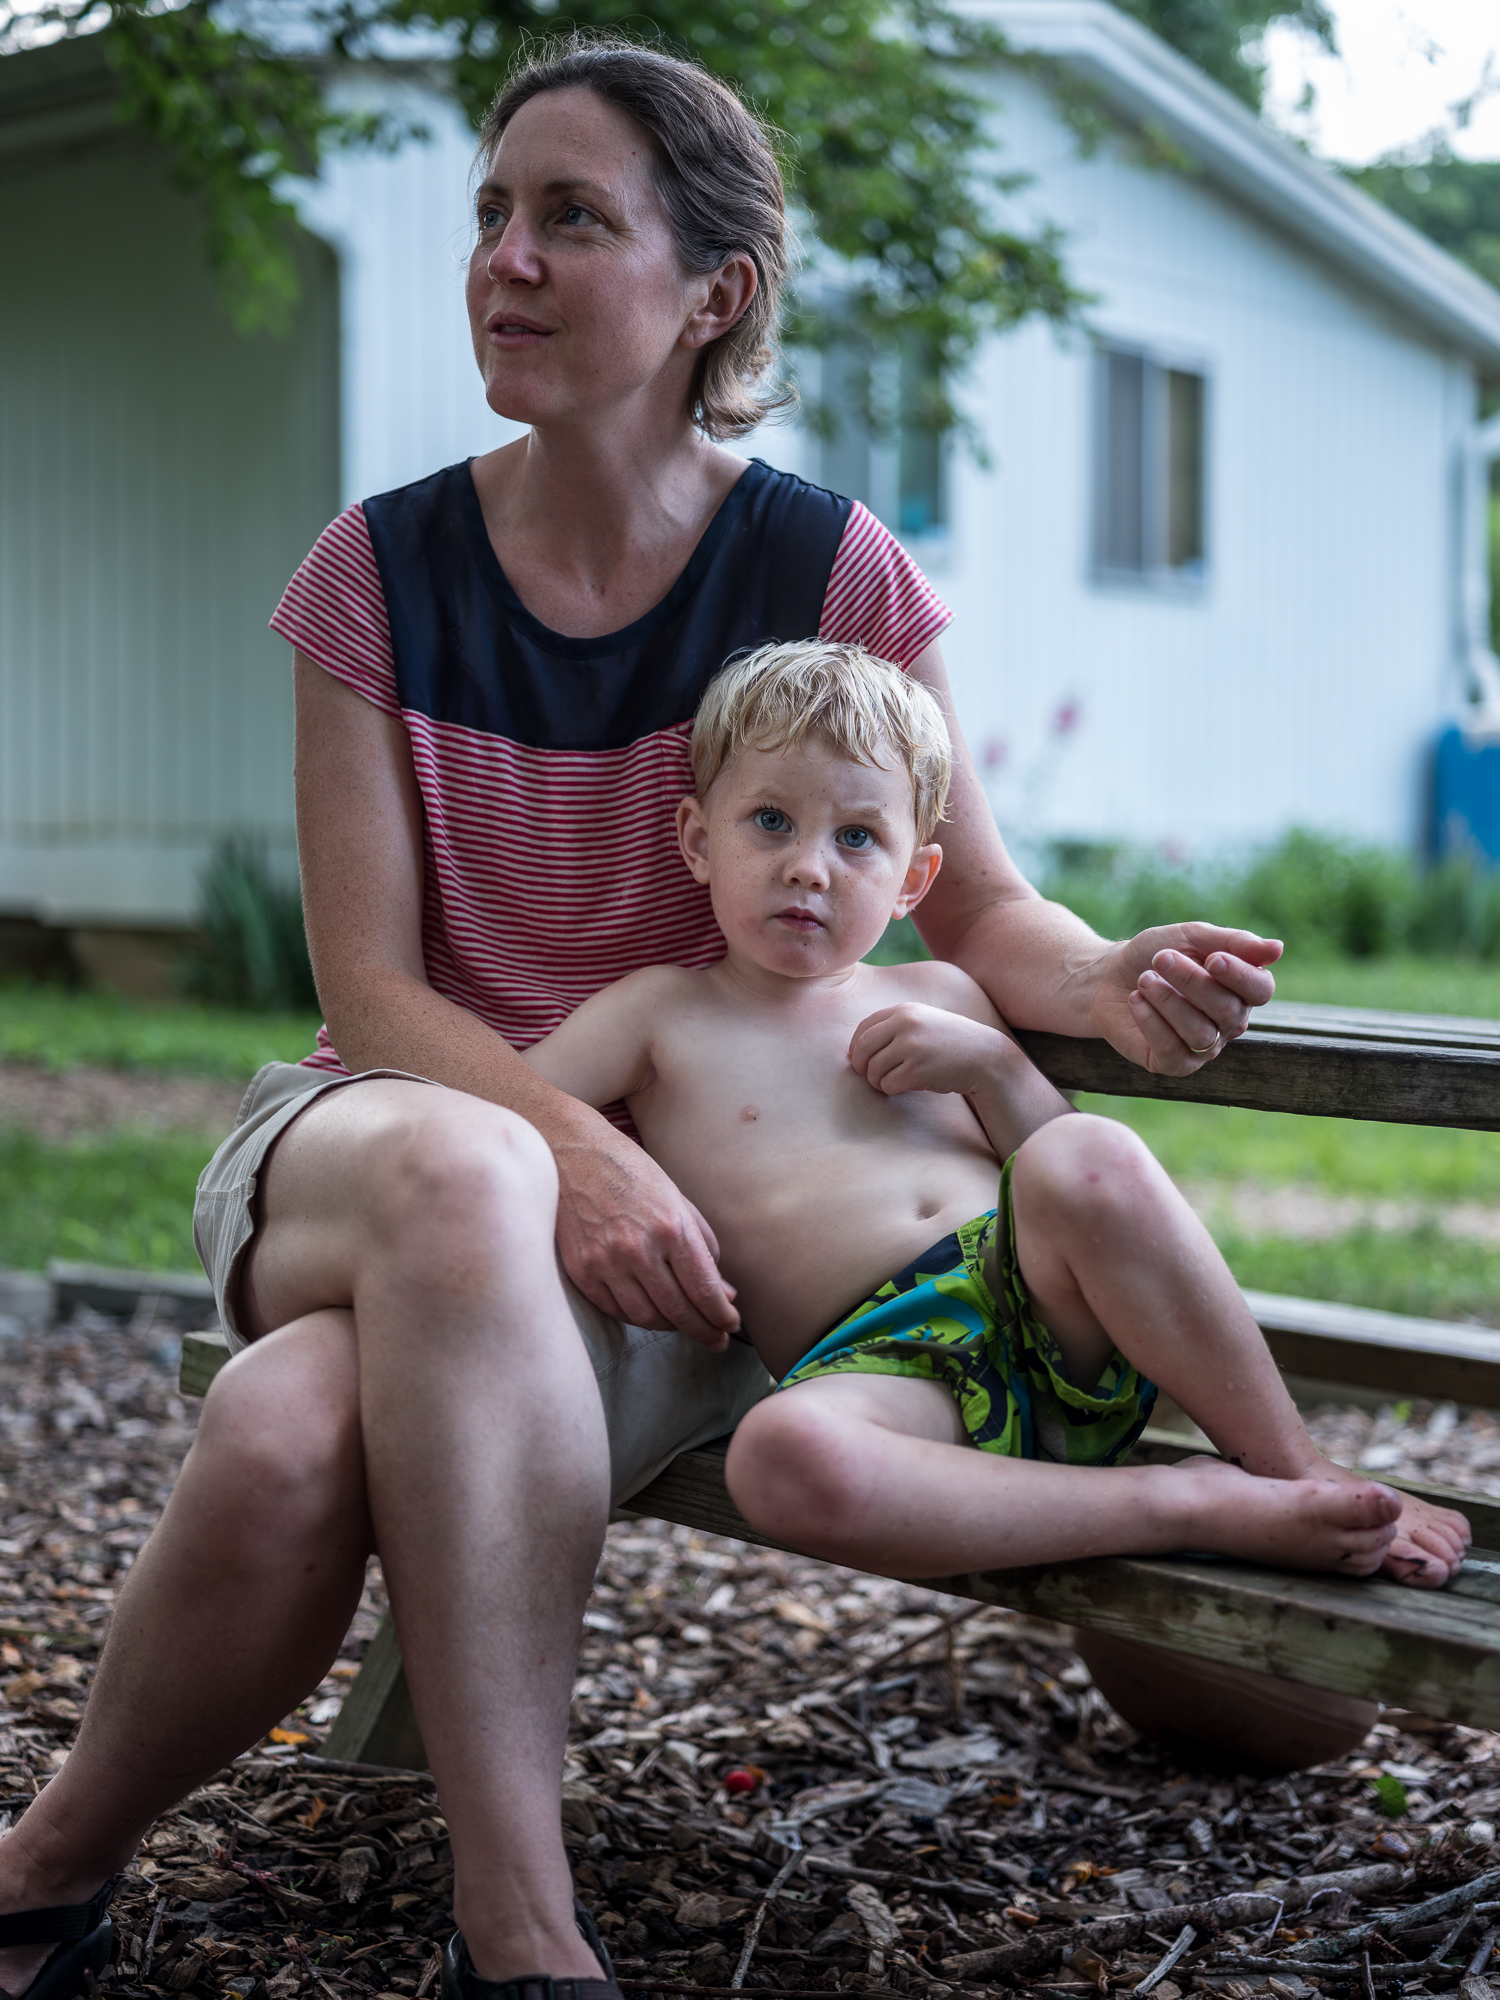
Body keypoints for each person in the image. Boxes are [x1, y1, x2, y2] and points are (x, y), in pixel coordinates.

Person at [0, 34, 1290, 2000]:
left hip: (656, 1259)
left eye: (570, 219)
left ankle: (45, 1868)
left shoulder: (826, 566)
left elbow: (985, 892)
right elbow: (371, 990)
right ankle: (524, 1934)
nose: (504, 259)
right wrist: (578, 1144)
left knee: (284, 1432)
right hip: (389, 1134)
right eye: (493, 215)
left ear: (716, 294)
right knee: (458, 1168)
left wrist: (1111, 983)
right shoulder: (380, 573)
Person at [524, 639, 1472, 1586]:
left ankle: (1292, 1467)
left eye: (857, 837)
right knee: (779, 1457)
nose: (809, 867)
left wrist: (995, 1068)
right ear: (698, 839)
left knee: (1084, 1152)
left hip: (1044, 1304)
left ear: (913, 879)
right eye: (770, 821)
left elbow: (1078, 1185)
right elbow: (503, 1109)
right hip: (880, 1373)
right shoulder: (656, 1017)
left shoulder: (941, 990)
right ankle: (1183, 1503)